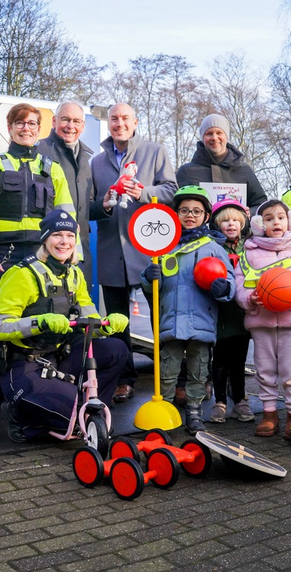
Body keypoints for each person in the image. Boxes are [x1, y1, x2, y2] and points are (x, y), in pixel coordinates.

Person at [0, 103, 78, 440]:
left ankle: (30, 407)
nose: (26, 128)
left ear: (39, 127)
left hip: (45, 260)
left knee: (44, 336)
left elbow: (67, 216)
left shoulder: (53, 169)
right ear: (10, 127)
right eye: (20, 123)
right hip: (4, 259)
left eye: (32, 123)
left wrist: (72, 258)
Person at [0, 210, 129, 442]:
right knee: (75, 421)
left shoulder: (75, 274)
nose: (64, 242)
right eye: (57, 235)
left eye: (69, 235)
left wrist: (105, 326)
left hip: (59, 359)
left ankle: (91, 414)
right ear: (45, 239)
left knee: (116, 349)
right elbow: (1, 326)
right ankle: (22, 417)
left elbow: (89, 317)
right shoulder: (22, 275)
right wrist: (40, 322)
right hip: (24, 368)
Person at [89, 102, 177, 403]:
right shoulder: (97, 163)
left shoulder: (155, 152)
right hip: (112, 251)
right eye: (114, 119)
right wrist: (105, 203)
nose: (119, 123)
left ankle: (169, 379)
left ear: (135, 121)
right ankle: (124, 379)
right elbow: (90, 207)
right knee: (117, 322)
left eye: (125, 118)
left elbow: (172, 192)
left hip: (149, 250)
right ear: (109, 123)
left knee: (160, 319)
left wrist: (145, 194)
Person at [140, 186, 235, 434]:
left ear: (206, 216)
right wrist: (148, 278)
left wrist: (223, 287)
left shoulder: (213, 248)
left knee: (198, 370)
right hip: (170, 321)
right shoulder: (162, 246)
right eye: (184, 210)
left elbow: (231, 282)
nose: (190, 215)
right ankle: (165, 409)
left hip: (201, 322)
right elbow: (151, 287)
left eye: (196, 211)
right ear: (176, 213)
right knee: (167, 369)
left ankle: (194, 411)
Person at [234, 200, 291, 439]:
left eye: (281, 217)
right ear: (260, 224)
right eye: (269, 218)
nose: (276, 222)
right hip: (261, 321)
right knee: (264, 369)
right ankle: (269, 413)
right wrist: (249, 299)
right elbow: (239, 283)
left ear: (290, 221)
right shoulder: (249, 252)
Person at [36, 101, 95, 284]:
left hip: (79, 254)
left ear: (83, 126)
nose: (71, 126)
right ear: (54, 121)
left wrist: (106, 205)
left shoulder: (87, 158)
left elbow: (86, 209)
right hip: (49, 254)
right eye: (65, 120)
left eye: (76, 121)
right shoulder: (38, 151)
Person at [209, 198, 254, 424]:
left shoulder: (250, 246)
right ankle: (219, 401)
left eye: (235, 220)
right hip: (220, 311)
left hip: (242, 311)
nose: (231, 224)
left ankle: (239, 400)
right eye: (225, 220)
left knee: (239, 360)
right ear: (216, 224)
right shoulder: (212, 247)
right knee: (219, 360)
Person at [176, 113, 267, 213]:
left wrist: (250, 213)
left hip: (238, 228)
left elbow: (260, 203)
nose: (214, 138)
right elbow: (175, 205)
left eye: (219, 133)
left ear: (226, 136)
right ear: (202, 138)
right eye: (209, 133)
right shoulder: (187, 171)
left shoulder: (244, 170)